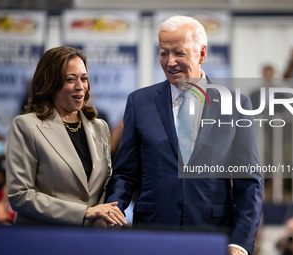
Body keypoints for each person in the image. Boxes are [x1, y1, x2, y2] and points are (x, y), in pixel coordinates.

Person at [105, 16, 263, 255]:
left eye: (179, 53)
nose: (170, 62)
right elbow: (126, 174)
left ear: (202, 54)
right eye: (163, 53)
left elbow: (249, 183)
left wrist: (240, 242)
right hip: (152, 236)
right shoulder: (139, 103)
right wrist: (112, 211)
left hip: (212, 237)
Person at [6, 46, 126, 227]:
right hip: (42, 239)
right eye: (71, 79)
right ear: (50, 83)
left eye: (84, 79)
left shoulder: (99, 127)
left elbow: (105, 184)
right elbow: (20, 196)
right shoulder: (26, 126)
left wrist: (103, 214)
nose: (80, 87)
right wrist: (84, 212)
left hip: (90, 240)